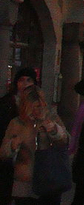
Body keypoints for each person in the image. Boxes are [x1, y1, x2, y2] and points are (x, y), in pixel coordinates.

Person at [0, 85, 69, 205]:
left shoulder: (50, 117)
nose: (37, 110)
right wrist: (12, 145)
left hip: (49, 179)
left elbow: (65, 141)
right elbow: (3, 153)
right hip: (24, 183)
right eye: (33, 107)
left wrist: (54, 130)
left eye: (39, 106)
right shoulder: (16, 123)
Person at [0, 67, 38, 205]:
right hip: (9, 158)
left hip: (30, 162)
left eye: (29, 80)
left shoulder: (39, 105)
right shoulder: (7, 103)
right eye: (21, 80)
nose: (25, 84)